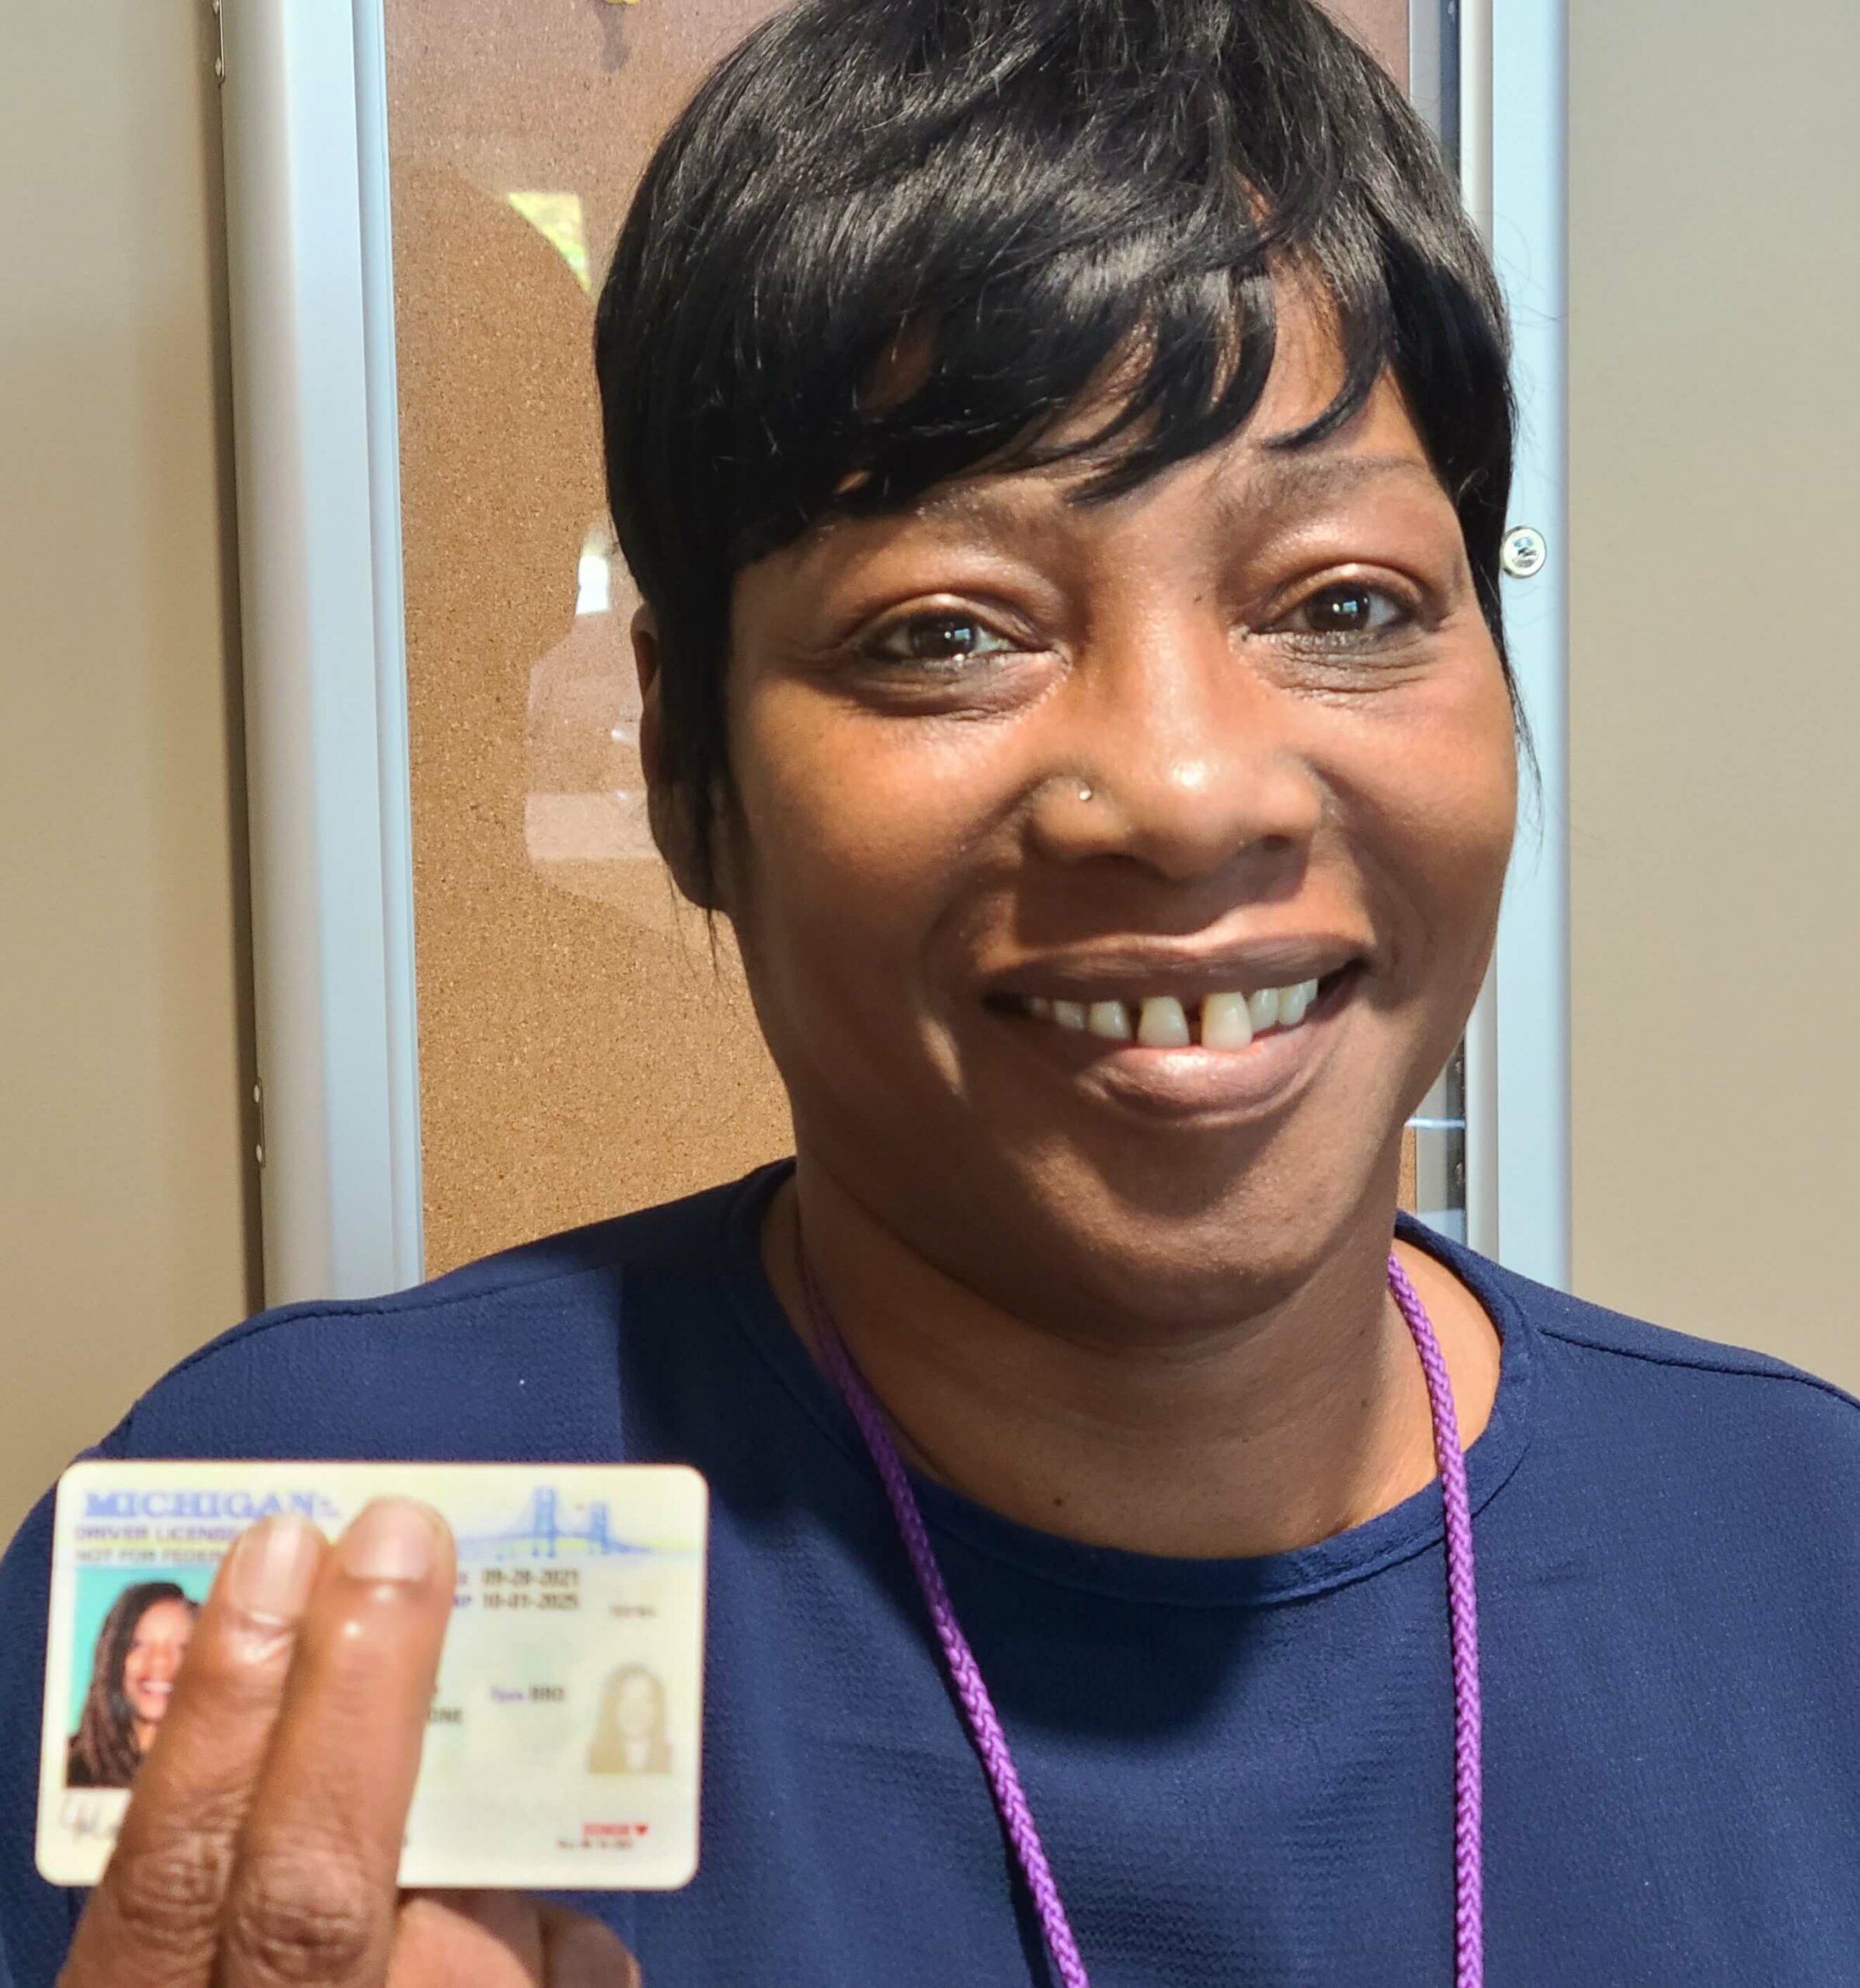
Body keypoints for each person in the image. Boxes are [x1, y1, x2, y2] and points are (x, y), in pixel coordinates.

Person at [4, 0, 1860, 1982]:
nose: (1182, 787)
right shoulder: (307, 1553)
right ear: (682, 761)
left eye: (1343, 603)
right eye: (946, 632)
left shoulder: (1806, 1553)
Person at [62, 1583, 196, 1790]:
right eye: (138, 1645)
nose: (159, 1662)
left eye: (182, 1648)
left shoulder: (227, 1774)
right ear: (112, 1659)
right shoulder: (64, 1767)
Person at [586, 1666, 673, 1776]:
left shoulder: (676, 1759)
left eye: (645, 1700)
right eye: (626, 1699)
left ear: (658, 1708)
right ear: (612, 1706)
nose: (635, 1709)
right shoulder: (590, 1757)